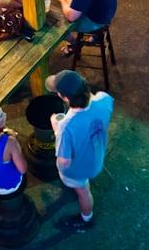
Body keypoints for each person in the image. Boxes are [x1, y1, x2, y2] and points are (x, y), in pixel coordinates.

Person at [45, 70, 114, 231]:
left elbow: (64, 161)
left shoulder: (65, 126)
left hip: (79, 170)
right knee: (82, 186)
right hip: (97, 155)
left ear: (65, 98)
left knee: (83, 192)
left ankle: (86, 219)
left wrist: (56, 127)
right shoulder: (104, 99)